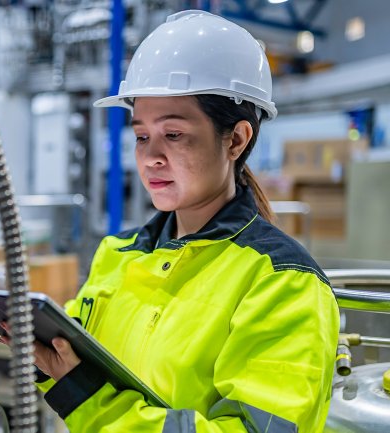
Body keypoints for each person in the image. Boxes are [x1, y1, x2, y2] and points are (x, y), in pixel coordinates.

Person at [27, 10, 339, 433]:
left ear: (237, 139)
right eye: (141, 136)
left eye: (173, 134)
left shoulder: (282, 284)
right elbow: (80, 368)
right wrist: (47, 359)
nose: (151, 156)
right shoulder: (118, 254)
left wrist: (90, 402)